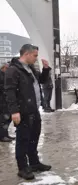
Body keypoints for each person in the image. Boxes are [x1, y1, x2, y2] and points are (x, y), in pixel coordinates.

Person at [4, 44, 52, 180]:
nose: (36, 59)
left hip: (34, 109)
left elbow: (41, 81)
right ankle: (23, 168)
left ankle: (34, 163)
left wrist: (46, 69)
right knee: (22, 140)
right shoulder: (13, 70)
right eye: (35, 56)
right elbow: (9, 91)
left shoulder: (29, 68)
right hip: (23, 111)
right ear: (27, 54)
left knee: (34, 138)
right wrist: (14, 111)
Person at [0, 61, 15, 142]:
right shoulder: (1, 75)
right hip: (2, 101)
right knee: (3, 120)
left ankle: (5, 134)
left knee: (7, 119)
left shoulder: (6, 75)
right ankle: (2, 136)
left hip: (6, 101)